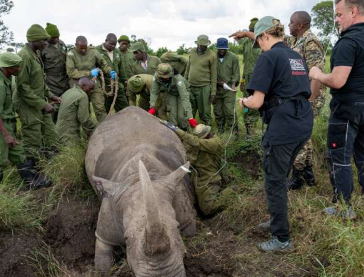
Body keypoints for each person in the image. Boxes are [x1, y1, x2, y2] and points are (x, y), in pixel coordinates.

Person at [237, 16, 313, 252]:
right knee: (281, 174)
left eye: (258, 40)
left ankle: (281, 239)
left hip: (284, 125)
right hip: (303, 122)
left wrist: (244, 101)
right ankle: (276, 219)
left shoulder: (268, 57)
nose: (258, 45)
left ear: (265, 36)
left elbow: (257, 101)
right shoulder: (296, 57)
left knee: (274, 179)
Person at [309, 0, 364, 219]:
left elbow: (338, 80)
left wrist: (316, 74)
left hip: (347, 110)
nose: (336, 20)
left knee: (338, 155)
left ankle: (343, 207)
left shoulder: (347, 42)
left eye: (339, 15)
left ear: (353, 11)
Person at [285, 11, 326, 190]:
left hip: (309, 98)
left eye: (291, 22)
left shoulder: (311, 43)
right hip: (300, 96)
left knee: (298, 134)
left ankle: (298, 177)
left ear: (300, 25)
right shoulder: (295, 40)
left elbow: (316, 75)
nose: (289, 24)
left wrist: (308, 101)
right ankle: (307, 174)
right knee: (305, 136)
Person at [0, 52, 51, 189]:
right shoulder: (1, 85)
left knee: (19, 154)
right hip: (2, 128)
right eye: (16, 67)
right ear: (8, 67)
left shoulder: (7, 79)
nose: (20, 69)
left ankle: (31, 182)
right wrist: (6, 134)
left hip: (8, 125)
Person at [161, 121, 230, 216]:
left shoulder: (215, 143)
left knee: (207, 209)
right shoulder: (205, 144)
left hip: (209, 178)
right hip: (197, 176)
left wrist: (176, 129)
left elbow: (194, 141)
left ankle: (229, 192)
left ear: (205, 135)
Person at [15, 24, 61, 163]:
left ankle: (51, 161)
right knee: (32, 137)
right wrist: (43, 104)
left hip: (40, 101)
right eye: (43, 41)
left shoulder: (35, 54)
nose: (46, 43)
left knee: (50, 133)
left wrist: (50, 95)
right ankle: (32, 173)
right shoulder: (24, 56)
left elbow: (40, 81)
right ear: (33, 40)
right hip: (28, 105)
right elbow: (22, 87)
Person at [66, 36, 114, 122]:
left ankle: (107, 130)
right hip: (79, 86)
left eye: (85, 48)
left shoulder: (94, 52)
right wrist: (89, 73)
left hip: (94, 82)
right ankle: (88, 134)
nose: (83, 50)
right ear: (75, 45)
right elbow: (71, 72)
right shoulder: (71, 54)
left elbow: (103, 64)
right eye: (81, 48)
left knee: (100, 108)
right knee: (84, 111)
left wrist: (110, 72)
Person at [149, 63, 196, 129]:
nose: (164, 79)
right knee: (172, 116)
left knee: (181, 117)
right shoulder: (156, 77)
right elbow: (154, 92)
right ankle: (175, 131)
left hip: (182, 94)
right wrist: (152, 106)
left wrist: (190, 117)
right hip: (171, 93)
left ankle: (186, 131)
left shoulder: (177, 78)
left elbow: (184, 97)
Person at [185, 35, 217, 126]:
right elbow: (188, 68)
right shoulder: (192, 52)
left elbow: (214, 75)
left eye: (204, 45)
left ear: (207, 45)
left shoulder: (212, 55)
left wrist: (213, 92)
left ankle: (208, 130)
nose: (201, 47)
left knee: (205, 112)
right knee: (190, 110)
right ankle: (190, 129)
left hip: (204, 88)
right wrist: (184, 82)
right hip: (190, 86)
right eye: (200, 45)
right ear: (197, 44)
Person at [41, 23, 69, 123]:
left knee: (65, 106)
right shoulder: (43, 47)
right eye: (54, 37)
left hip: (65, 81)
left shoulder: (62, 44)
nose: (56, 39)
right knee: (53, 107)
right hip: (51, 82)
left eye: (58, 37)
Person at [56, 77, 96, 144]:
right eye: (90, 88)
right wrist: (94, 129)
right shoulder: (82, 95)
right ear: (83, 85)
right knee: (73, 149)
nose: (91, 91)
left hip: (58, 130)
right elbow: (84, 119)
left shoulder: (69, 91)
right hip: (68, 134)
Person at [96, 33, 128, 113]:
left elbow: (121, 68)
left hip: (117, 84)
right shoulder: (97, 50)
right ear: (106, 41)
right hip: (104, 86)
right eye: (111, 44)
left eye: (114, 45)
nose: (113, 47)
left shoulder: (117, 51)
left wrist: (125, 81)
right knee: (105, 110)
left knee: (124, 108)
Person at [214, 38, 240, 135]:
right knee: (218, 111)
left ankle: (234, 130)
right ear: (217, 48)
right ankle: (220, 130)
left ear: (227, 48)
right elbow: (210, 74)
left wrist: (234, 83)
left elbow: (236, 73)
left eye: (224, 49)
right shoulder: (213, 58)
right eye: (220, 49)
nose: (222, 51)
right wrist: (217, 83)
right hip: (216, 89)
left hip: (229, 89)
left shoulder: (233, 57)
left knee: (229, 110)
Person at [240, 18, 261, 136]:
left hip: (258, 79)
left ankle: (253, 130)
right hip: (247, 79)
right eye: (250, 30)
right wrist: (242, 80)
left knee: (256, 103)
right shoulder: (246, 43)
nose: (251, 33)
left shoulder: (262, 44)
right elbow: (245, 62)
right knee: (245, 104)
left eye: (253, 30)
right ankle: (248, 128)